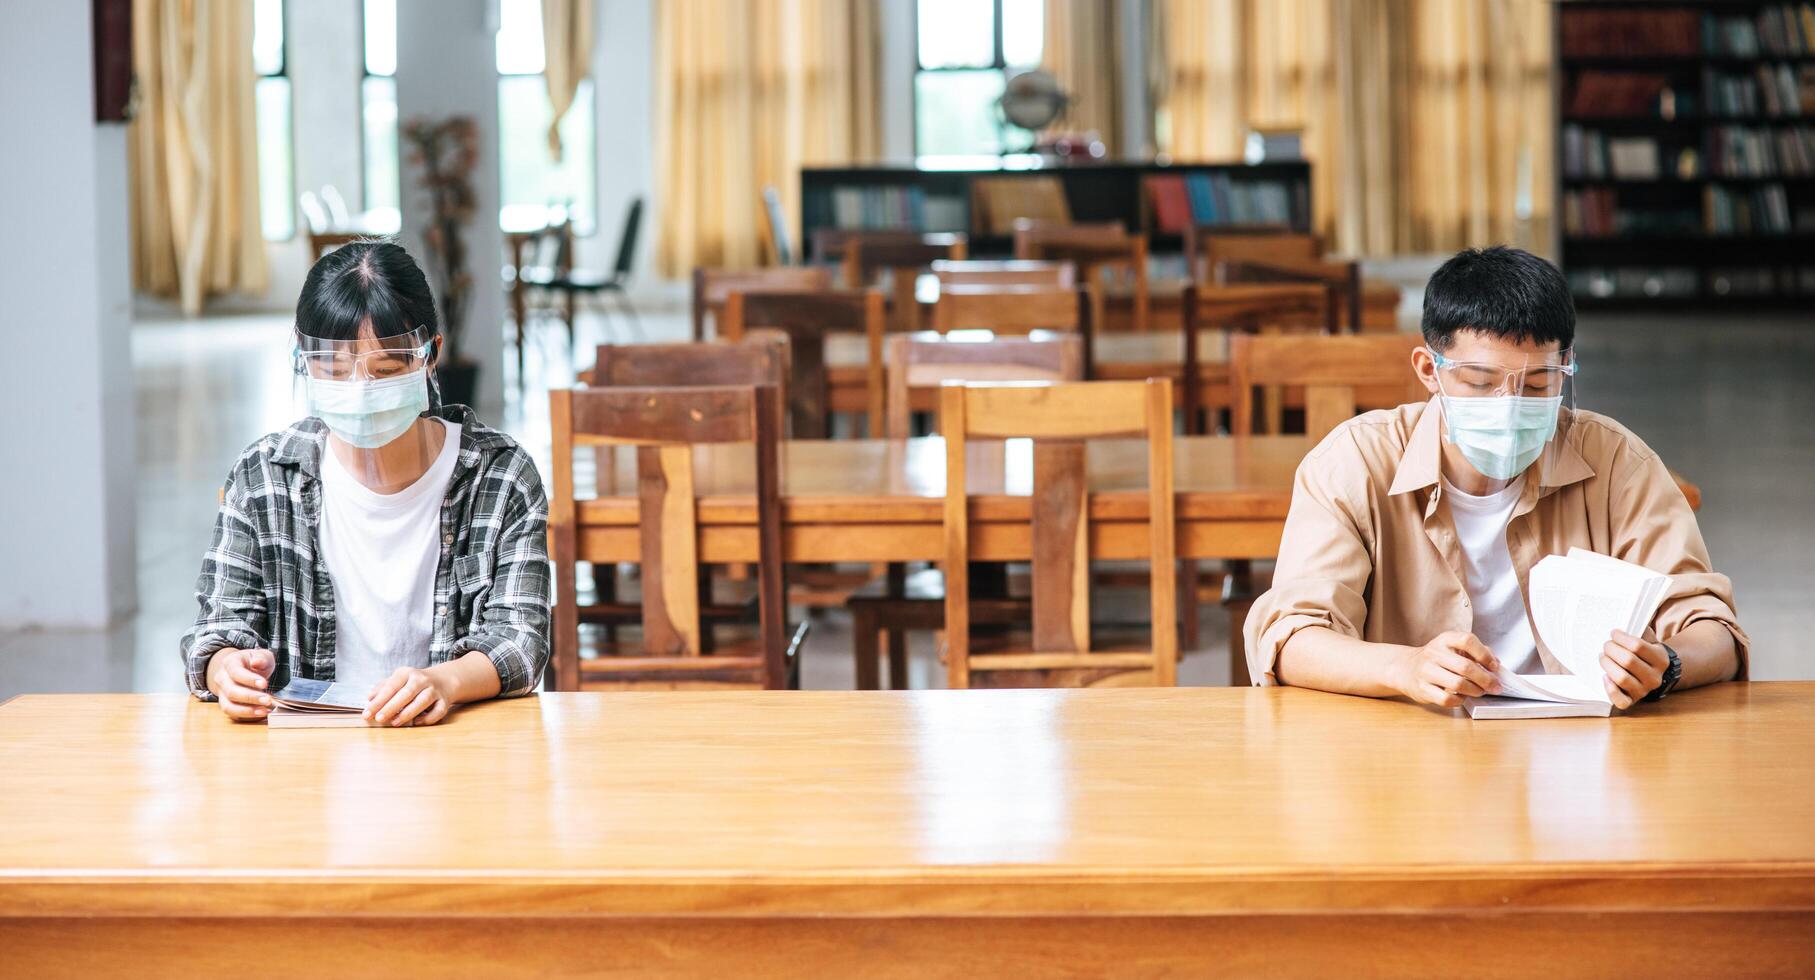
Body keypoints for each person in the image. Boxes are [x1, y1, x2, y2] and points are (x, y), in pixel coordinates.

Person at [1243, 246, 1745, 709]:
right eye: (1480, 382)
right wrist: (1405, 667)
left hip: (1580, 751)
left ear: (1566, 364)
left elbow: (1714, 630)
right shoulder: (1355, 462)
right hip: (1410, 754)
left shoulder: (1617, 462)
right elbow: (1290, 637)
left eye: (1538, 382)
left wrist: (1667, 666)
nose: (1508, 406)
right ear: (1428, 369)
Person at [180, 240, 550, 725]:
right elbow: (217, 629)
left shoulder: (500, 477)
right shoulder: (264, 477)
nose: (360, 391)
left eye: (386, 370)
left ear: (430, 355)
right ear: (303, 357)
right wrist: (226, 669)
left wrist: (445, 681)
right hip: (308, 766)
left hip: (452, 758)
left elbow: (521, 640)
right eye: (332, 370)